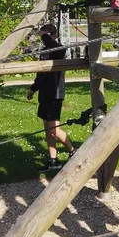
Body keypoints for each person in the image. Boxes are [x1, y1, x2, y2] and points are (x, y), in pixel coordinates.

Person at [26, 24, 75, 172]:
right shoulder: (45, 52)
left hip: (55, 93)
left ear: (52, 35)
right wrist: (33, 89)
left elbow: (56, 47)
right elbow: (41, 73)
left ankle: (73, 151)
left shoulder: (57, 49)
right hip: (45, 94)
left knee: (54, 128)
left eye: (45, 36)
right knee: (48, 129)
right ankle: (53, 160)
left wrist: (44, 34)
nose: (43, 39)